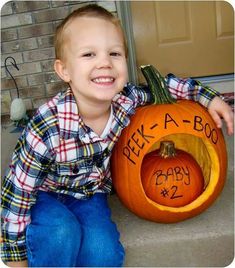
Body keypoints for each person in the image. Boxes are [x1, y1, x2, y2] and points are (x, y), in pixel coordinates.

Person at [1, 4, 233, 268]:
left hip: (89, 194)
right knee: (61, 232)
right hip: (44, 194)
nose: (104, 63)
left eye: (114, 53)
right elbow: (17, 194)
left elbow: (166, 86)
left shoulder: (126, 101)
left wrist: (208, 97)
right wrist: (15, 256)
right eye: (89, 54)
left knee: (105, 253)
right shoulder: (46, 126)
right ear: (64, 70)